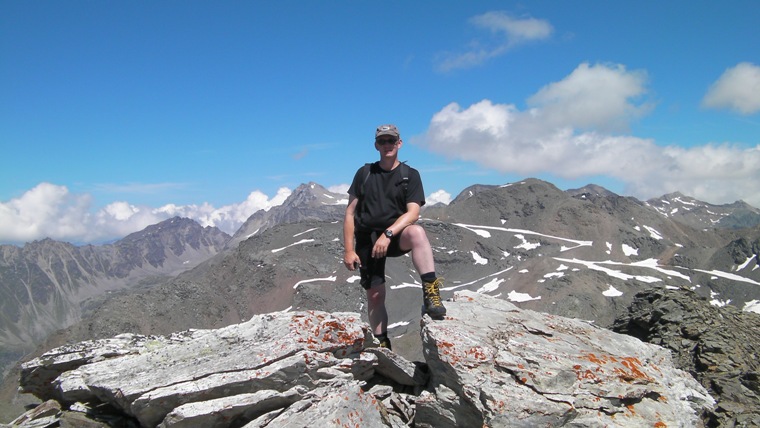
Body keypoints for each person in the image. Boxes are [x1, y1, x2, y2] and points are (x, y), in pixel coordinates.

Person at [343, 124, 446, 350]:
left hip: (394, 236)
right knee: (375, 295)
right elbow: (350, 213)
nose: (387, 145)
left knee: (417, 231)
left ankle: (431, 293)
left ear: (399, 143)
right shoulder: (364, 173)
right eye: (383, 141)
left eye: (391, 141)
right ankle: (382, 343)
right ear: (376, 146)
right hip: (367, 239)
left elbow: (413, 213)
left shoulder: (410, 175)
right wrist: (349, 250)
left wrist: (388, 234)